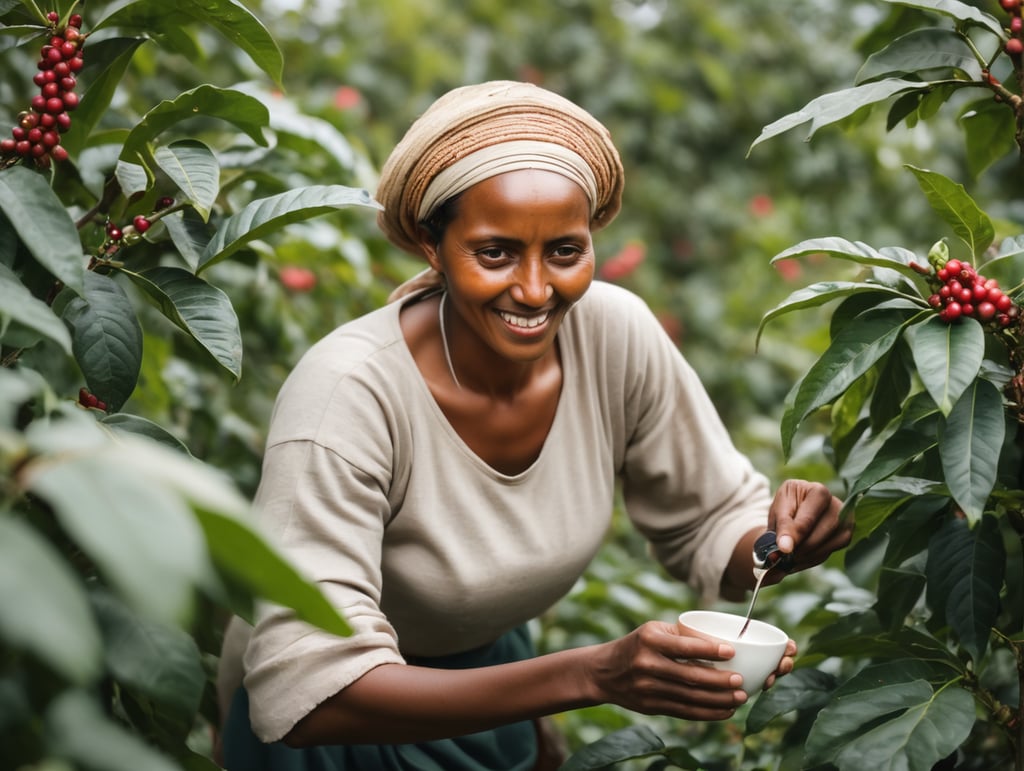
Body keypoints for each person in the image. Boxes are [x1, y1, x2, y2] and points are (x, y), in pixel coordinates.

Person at [216, 80, 850, 771]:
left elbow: (709, 519)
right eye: (495, 252)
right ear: (433, 246)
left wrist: (777, 541)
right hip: (345, 727)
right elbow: (309, 692)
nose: (536, 290)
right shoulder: (348, 394)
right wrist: (588, 677)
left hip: (492, 688)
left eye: (565, 252)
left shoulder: (613, 335)